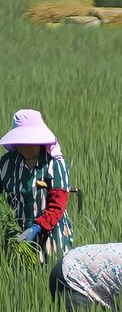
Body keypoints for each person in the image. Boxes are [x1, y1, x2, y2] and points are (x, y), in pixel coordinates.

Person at [0, 109, 73, 261]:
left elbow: (58, 205)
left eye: (31, 142)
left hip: (52, 235)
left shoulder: (54, 164)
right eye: (23, 142)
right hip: (17, 234)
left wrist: (37, 227)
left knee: (49, 274)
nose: (27, 147)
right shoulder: (6, 164)